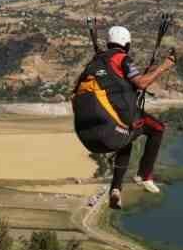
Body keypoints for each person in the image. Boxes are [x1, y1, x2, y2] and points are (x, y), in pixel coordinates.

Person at [71, 24, 176, 208]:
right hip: (109, 132)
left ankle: (116, 190)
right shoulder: (122, 59)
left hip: (88, 137)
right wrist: (164, 66)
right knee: (157, 128)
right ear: (127, 45)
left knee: (126, 137)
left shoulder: (93, 64)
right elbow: (142, 83)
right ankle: (144, 175)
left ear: (109, 43)